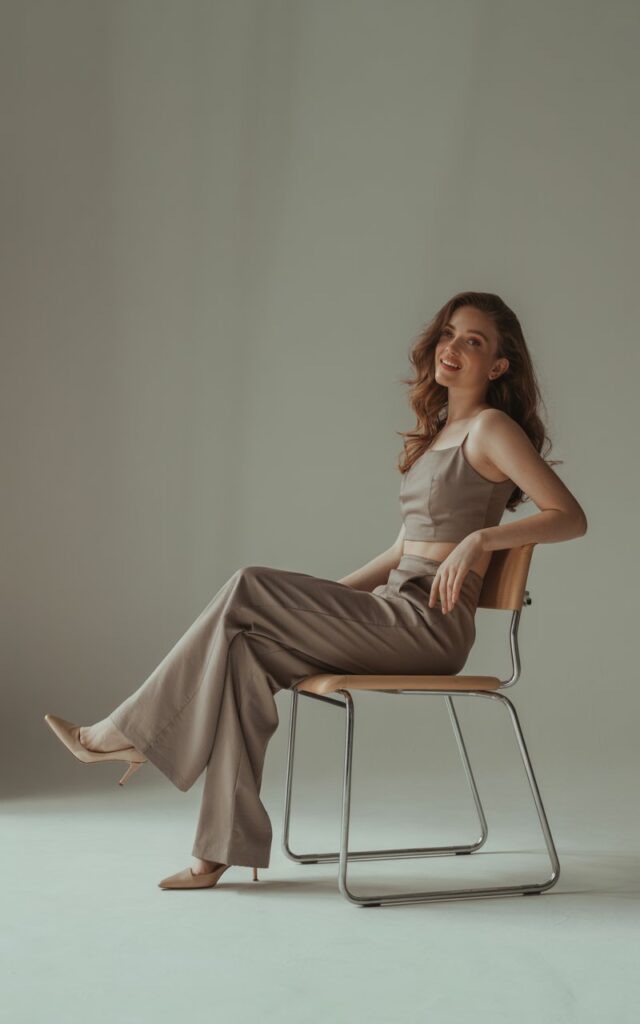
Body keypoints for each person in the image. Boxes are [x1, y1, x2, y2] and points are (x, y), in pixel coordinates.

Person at [44, 290, 587, 890]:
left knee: (248, 584)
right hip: (390, 612)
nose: (453, 348)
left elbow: (570, 516)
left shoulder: (490, 428)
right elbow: (398, 553)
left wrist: (482, 541)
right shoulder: (439, 434)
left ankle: (122, 734)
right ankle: (218, 850)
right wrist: (316, 602)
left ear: (498, 366)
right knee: (245, 650)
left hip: (429, 625)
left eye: (474, 342)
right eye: (449, 334)